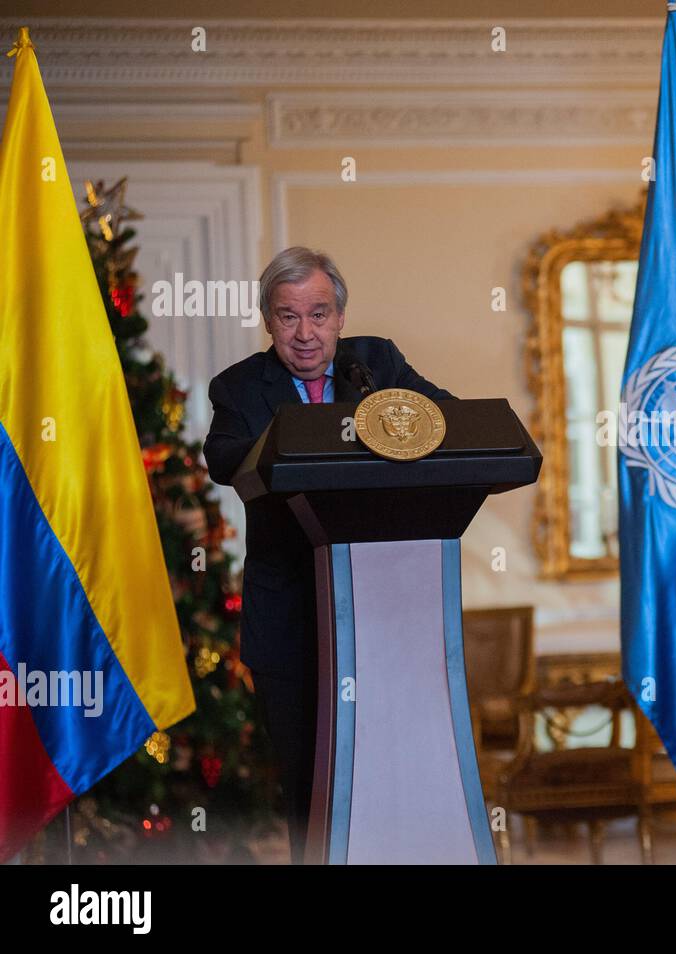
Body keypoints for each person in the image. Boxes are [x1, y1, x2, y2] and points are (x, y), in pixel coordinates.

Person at [202, 246, 454, 863]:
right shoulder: (238, 386)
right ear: (269, 322)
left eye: (319, 314)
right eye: (288, 317)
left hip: (384, 615)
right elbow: (224, 458)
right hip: (289, 620)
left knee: (387, 774)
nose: (306, 333)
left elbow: (445, 419)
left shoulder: (378, 364)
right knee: (309, 784)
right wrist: (301, 440)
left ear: (341, 316)